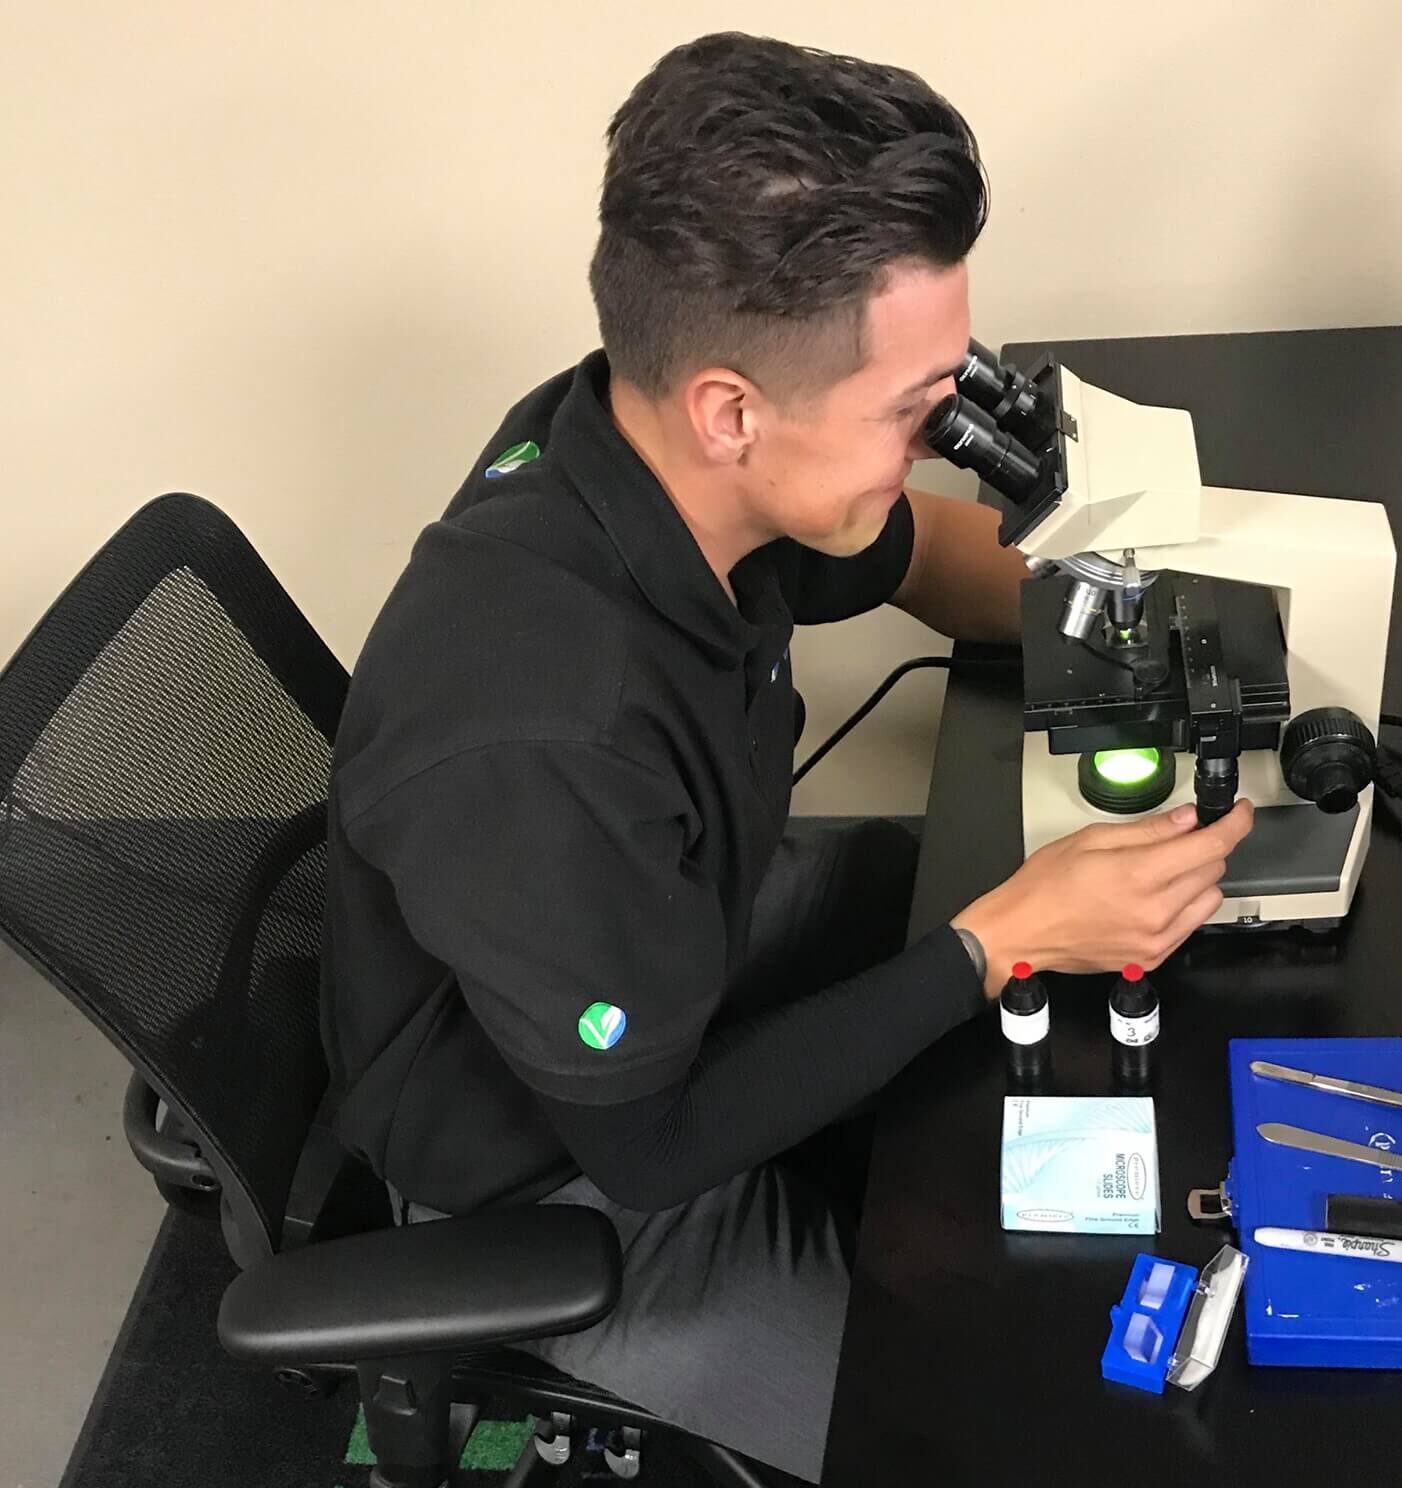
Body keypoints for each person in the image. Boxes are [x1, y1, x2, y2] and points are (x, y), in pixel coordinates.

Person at [319, 31, 1254, 1484]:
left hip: (670, 925)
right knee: (988, 1435)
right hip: (570, 1172)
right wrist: (1002, 940)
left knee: (1040, 947)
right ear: (733, 410)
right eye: (912, 408)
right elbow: (654, 1143)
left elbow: (917, 552)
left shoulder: (649, 457)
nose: (941, 435)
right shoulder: (541, 731)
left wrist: (1146, 610)